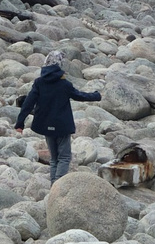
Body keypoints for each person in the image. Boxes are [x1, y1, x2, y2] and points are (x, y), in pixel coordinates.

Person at [14, 54, 100, 182]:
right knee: (64, 157)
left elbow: (28, 103)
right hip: (62, 126)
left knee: (54, 158)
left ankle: (54, 186)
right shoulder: (64, 84)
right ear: (59, 66)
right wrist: (96, 96)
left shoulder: (39, 83)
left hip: (45, 125)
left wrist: (20, 123)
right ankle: (58, 185)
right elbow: (79, 96)